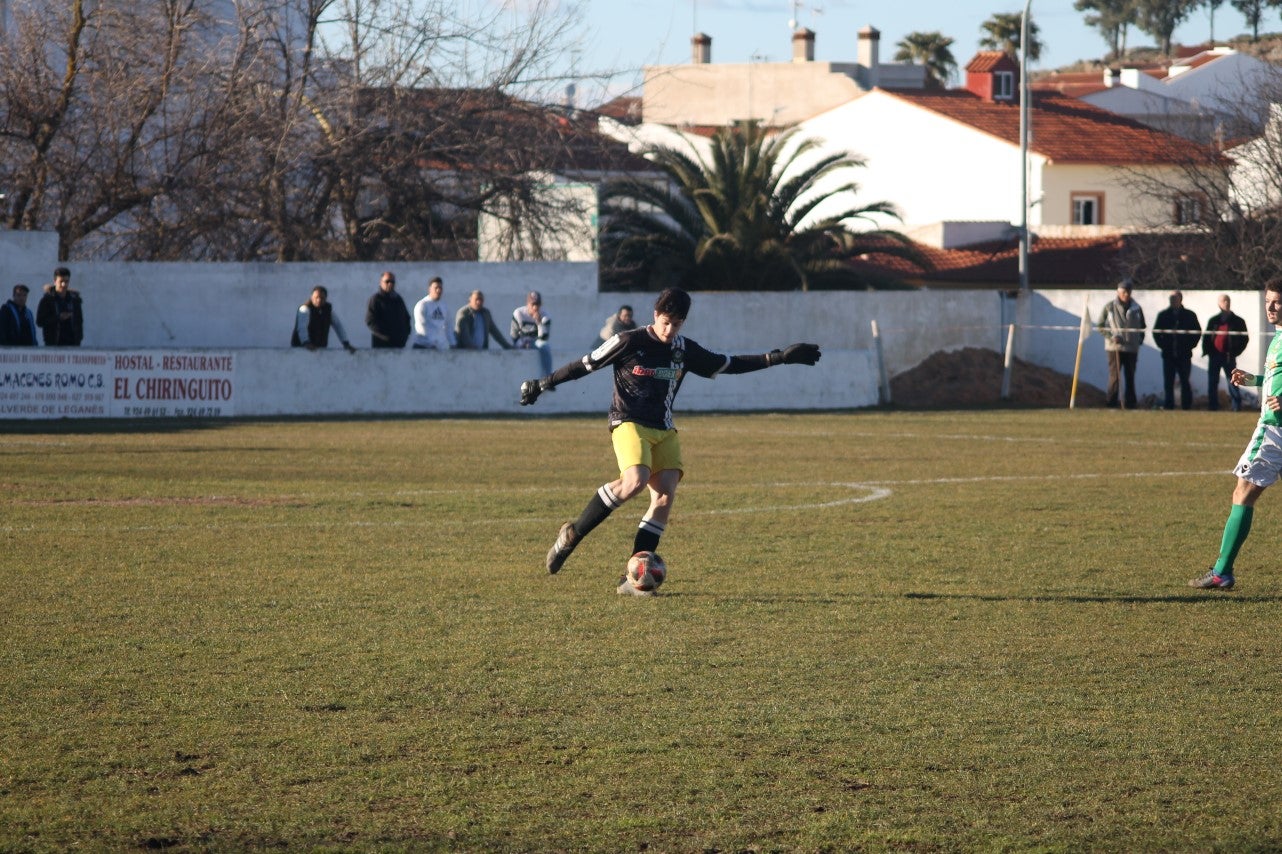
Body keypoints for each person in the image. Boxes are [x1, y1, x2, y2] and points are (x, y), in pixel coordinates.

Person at [518, 287, 821, 596]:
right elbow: (584, 365)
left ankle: (632, 580)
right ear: (654, 315)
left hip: (664, 428)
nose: (669, 329)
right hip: (628, 422)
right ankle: (572, 535)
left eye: (676, 324)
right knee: (634, 480)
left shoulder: (683, 349)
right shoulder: (628, 341)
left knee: (664, 497)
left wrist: (779, 357)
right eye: (665, 322)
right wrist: (542, 384)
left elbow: (728, 363)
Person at [1190, 279, 1282, 590]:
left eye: (1277, 302)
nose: (1270, 307)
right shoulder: (1277, 338)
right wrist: (1254, 379)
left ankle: (1222, 571)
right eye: (1268, 301)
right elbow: (1274, 379)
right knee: (1245, 492)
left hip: (1274, 431)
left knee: (1242, 492)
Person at [1097, 280, 1146, 409]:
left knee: (1130, 376)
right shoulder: (1109, 307)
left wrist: (1138, 341)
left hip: (1131, 348)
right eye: (1124, 292)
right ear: (1118, 292)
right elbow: (1101, 326)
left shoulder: (1137, 308)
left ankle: (1130, 403)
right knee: (1115, 376)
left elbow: (1142, 327)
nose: (1126, 294)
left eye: (1128, 291)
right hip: (1114, 347)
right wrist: (1111, 337)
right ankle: (1111, 402)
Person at [1153, 289, 1201, 411]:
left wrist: (1189, 345)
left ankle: (1186, 405)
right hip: (1168, 354)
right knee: (1168, 382)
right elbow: (1156, 333)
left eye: (1175, 298)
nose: (1172, 301)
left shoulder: (1190, 315)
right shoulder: (1163, 315)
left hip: (1184, 355)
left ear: (1180, 299)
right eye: (1171, 299)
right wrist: (1163, 345)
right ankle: (1169, 405)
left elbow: (1197, 332)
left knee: (1185, 381)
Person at [1202, 293, 1249, 412]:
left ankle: (1236, 407)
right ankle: (1212, 406)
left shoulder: (1238, 321)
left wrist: (1235, 352)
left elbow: (1245, 339)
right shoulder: (1213, 321)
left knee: (1233, 381)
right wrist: (1208, 351)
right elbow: (1207, 338)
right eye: (1223, 301)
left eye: (1228, 300)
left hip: (1229, 356)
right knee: (1212, 381)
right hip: (1214, 356)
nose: (1226, 303)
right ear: (1219, 304)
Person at [292, 286, 356, 352]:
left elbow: (338, 326)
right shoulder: (305, 309)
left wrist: (346, 343)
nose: (319, 300)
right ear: (311, 297)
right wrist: (306, 343)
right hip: (301, 349)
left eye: (322, 298)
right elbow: (302, 327)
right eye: (316, 297)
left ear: (326, 298)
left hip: (320, 349)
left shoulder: (328, 311)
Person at [35, 267, 83, 347]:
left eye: (66, 281)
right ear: (55, 282)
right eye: (61, 281)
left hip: (73, 345)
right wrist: (58, 318)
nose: (63, 285)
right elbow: (39, 321)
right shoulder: (47, 300)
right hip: (54, 345)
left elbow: (79, 321)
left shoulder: (74, 301)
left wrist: (78, 338)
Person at [511, 290, 552, 375]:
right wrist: (522, 342)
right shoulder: (519, 313)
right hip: (521, 341)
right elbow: (514, 335)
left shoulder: (545, 315)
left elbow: (544, 338)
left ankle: (547, 376)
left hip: (535, 341)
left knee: (545, 347)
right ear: (527, 304)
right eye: (533, 304)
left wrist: (539, 323)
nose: (535, 307)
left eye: (537, 305)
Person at [365, 270, 410, 349]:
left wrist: (404, 336)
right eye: (387, 281)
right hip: (381, 346)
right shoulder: (376, 299)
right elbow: (370, 321)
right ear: (381, 282)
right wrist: (386, 337)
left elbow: (406, 318)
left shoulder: (398, 299)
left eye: (392, 282)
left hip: (399, 345)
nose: (390, 284)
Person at [411, 276, 456, 350]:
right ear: (429, 289)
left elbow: (449, 327)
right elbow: (421, 327)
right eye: (436, 288)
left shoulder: (444, 306)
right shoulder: (422, 305)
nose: (438, 290)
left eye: (440, 288)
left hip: (438, 348)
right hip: (422, 346)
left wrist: (453, 344)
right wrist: (431, 343)